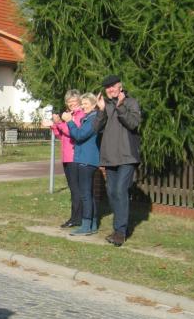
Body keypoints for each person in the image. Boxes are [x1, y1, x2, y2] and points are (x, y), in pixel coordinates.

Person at [94, 74, 142, 247]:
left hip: (127, 156)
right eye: (107, 88)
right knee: (112, 192)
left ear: (120, 87)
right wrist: (100, 110)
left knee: (121, 191)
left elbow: (133, 123)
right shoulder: (105, 106)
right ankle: (120, 228)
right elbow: (96, 128)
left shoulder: (131, 103)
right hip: (110, 157)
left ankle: (120, 232)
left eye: (113, 86)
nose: (110, 90)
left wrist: (121, 107)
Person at [63, 93, 101, 235]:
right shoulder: (89, 118)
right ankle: (93, 224)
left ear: (94, 105)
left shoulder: (92, 119)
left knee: (85, 194)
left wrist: (70, 122)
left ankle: (86, 226)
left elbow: (79, 135)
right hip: (84, 158)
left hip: (87, 159)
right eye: (82, 103)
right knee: (88, 193)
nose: (83, 106)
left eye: (86, 104)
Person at [51, 90, 85, 228]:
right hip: (66, 156)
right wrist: (55, 124)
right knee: (73, 188)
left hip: (75, 156)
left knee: (76, 189)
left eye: (74, 101)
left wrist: (61, 123)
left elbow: (73, 132)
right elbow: (61, 135)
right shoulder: (69, 115)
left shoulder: (80, 115)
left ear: (79, 101)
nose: (72, 104)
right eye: (69, 101)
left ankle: (77, 218)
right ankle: (76, 217)